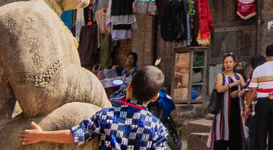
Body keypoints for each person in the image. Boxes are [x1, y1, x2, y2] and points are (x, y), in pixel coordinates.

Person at [20, 64, 171, 150]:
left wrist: (40, 135)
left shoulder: (106, 116)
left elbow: (75, 136)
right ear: (154, 97)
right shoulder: (157, 128)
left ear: (128, 86)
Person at [209, 54, 247, 150]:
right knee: (221, 136)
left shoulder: (239, 76)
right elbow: (219, 89)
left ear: (234, 63)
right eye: (226, 62)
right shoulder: (220, 76)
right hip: (223, 112)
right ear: (223, 64)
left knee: (236, 139)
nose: (228, 64)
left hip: (236, 113)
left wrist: (240, 92)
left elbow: (246, 89)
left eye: (230, 62)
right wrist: (232, 84)